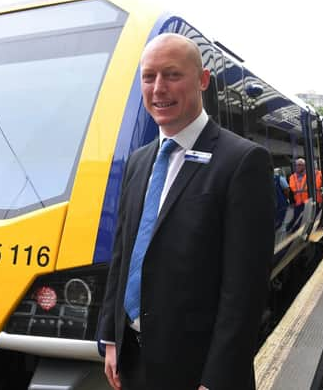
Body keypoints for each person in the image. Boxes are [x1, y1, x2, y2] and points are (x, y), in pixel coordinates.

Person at [99, 33, 275, 390]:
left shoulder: (242, 161)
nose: (158, 88)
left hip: (197, 370)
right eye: (149, 77)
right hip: (135, 359)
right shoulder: (138, 162)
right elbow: (123, 255)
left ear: (203, 80)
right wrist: (111, 338)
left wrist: (218, 378)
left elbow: (245, 287)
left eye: (172, 74)